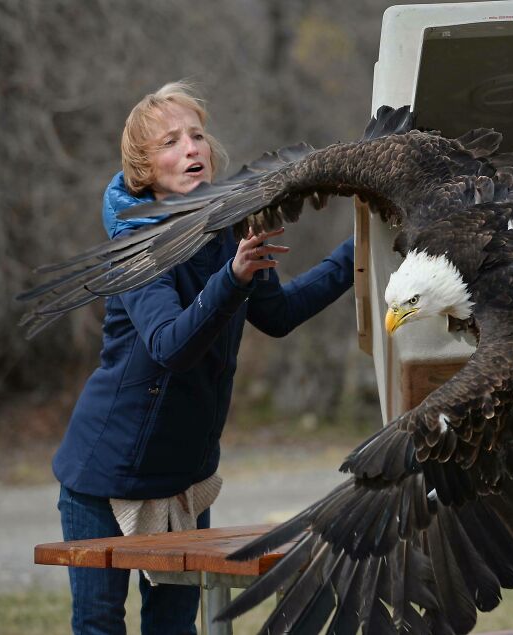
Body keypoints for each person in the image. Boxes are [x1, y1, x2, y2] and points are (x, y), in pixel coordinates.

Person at [54, 82, 354, 635]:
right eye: (171, 141)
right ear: (145, 169)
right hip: (105, 477)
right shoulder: (136, 245)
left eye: (197, 135)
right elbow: (170, 346)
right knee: (99, 626)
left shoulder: (231, 229)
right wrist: (233, 277)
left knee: (174, 628)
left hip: (186, 478)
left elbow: (278, 315)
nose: (191, 148)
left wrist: (355, 254)